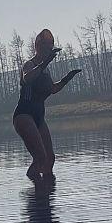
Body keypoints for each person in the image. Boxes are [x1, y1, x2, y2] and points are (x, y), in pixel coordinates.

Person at [12, 28, 80, 182]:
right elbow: (28, 78)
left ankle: (47, 195)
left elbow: (53, 89)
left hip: (39, 116)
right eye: (45, 46)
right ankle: (34, 192)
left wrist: (68, 78)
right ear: (38, 47)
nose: (48, 50)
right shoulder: (28, 65)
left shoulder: (46, 70)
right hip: (24, 115)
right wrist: (45, 62)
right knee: (40, 157)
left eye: (50, 46)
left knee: (50, 159)